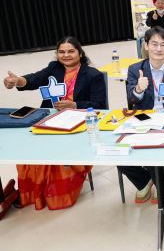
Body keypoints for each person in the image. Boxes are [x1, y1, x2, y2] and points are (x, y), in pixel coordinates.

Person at [3, 37, 107, 210]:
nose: (66, 55)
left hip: (77, 122)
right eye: (61, 52)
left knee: (54, 153)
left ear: (80, 53)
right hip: (50, 119)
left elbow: (100, 105)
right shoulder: (54, 68)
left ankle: (54, 195)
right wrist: (17, 81)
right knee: (28, 151)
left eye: (71, 51)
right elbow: (35, 79)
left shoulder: (92, 75)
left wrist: (75, 105)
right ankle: (32, 193)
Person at [118, 27, 164, 204]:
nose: (159, 49)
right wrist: (138, 89)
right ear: (146, 46)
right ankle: (146, 180)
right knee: (119, 151)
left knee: (154, 146)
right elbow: (131, 99)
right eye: (154, 44)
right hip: (144, 117)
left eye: (163, 44)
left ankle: (161, 179)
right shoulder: (136, 69)